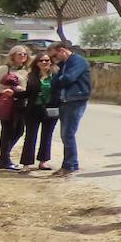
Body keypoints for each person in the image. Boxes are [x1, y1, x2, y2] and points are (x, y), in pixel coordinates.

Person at [48, 41, 91, 177]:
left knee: (68, 133)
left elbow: (68, 79)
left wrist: (57, 79)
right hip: (65, 101)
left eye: (54, 56)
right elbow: (55, 80)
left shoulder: (77, 61)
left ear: (62, 50)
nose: (53, 60)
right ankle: (69, 163)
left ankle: (70, 165)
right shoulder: (63, 64)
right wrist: (57, 79)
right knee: (65, 134)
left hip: (76, 100)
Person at [0, 44, 31, 170]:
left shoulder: (26, 70)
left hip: (22, 103)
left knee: (19, 130)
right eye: (19, 53)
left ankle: (3, 157)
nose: (22, 56)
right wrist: (8, 88)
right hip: (8, 103)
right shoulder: (5, 68)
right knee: (7, 131)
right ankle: (5, 159)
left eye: (25, 54)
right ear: (12, 55)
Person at [20, 51, 59, 171]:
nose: (44, 62)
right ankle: (26, 164)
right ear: (36, 63)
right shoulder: (30, 76)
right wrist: (14, 93)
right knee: (30, 136)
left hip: (50, 109)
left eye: (46, 60)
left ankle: (43, 162)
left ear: (50, 62)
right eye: (41, 60)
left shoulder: (56, 76)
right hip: (33, 109)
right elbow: (26, 93)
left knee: (47, 136)